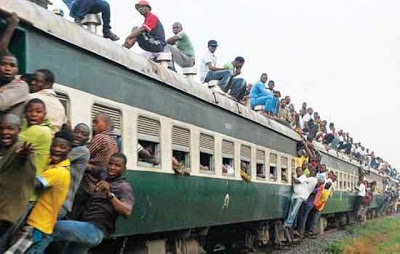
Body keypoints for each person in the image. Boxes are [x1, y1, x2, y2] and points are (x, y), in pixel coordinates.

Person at [48, 153, 134, 253]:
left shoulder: (123, 187)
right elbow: (86, 166)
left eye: (117, 165)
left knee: (49, 228)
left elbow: (127, 212)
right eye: (110, 164)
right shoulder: (103, 174)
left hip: (95, 230)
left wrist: (109, 195)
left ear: (124, 169)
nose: (112, 167)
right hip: (86, 227)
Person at [5, 129, 72, 254]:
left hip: (38, 224)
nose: (57, 149)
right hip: (41, 224)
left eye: (62, 147)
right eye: (54, 146)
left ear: (69, 150)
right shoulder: (54, 166)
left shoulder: (59, 172)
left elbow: (34, 184)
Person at [0, 114, 35, 237]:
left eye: (10, 128)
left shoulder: (19, 148)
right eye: (2, 128)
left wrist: (23, 155)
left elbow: (21, 157)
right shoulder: (5, 149)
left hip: (5, 213)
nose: (5, 132)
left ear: (19, 130)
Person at [16, 69, 67, 135]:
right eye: (32, 80)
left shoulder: (30, 98)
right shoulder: (60, 106)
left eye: (38, 81)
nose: (32, 83)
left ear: (48, 84)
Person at [59, 123, 91, 218]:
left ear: (87, 139)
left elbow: (59, 159)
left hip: (62, 202)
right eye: (76, 132)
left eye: (83, 134)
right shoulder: (72, 148)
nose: (78, 135)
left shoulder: (82, 150)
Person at [19, 98, 52, 178]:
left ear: (44, 114)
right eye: (29, 111)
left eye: (38, 112)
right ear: (24, 113)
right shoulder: (26, 125)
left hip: (30, 179)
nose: (33, 114)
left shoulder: (39, 131)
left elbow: (11, 142)